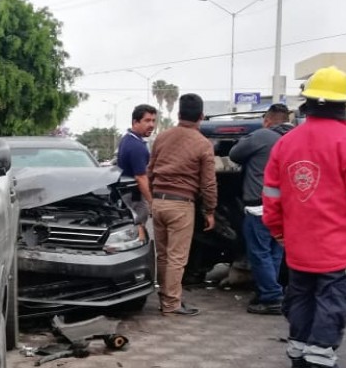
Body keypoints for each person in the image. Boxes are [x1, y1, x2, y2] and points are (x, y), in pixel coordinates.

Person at [263, 66, 346, 368]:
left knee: (300, 295)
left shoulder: (286, 143)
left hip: (299, 243)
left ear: (308, 102)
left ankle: (299, 354)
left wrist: (278, 230)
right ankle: (322, 362)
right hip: (338, 245)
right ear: (344, 103)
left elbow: (271, 195)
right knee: (333, 299)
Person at [148, 93, 217, 316]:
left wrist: (153, 196)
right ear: (201, 116)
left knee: (163, 256)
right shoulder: (203, 144)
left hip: (159, 201)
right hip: (181, 205)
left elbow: (150, 170)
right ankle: (171, 304)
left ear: (178, 114)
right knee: (177, 257)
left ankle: (164, 298)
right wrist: (210, 210)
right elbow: (208, 183)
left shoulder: (162, 137)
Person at [229, 103, 294, 315]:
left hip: (261, 206)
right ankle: (268, 291)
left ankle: (272, 296)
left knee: (259, 253)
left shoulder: (262, 136)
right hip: (289, 207)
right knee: (276, 252)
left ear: (267, 120)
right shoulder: (298, 138)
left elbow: (235, 154)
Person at [117, 104, 158, 223]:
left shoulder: (127, 139)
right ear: (135, 122)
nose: (151, 125)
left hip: (125, 195)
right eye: (147, 120)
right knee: (138, 230)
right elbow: (140, 177)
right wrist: (151, 202)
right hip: (134, 198)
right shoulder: (137, 146)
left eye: (153, 121)